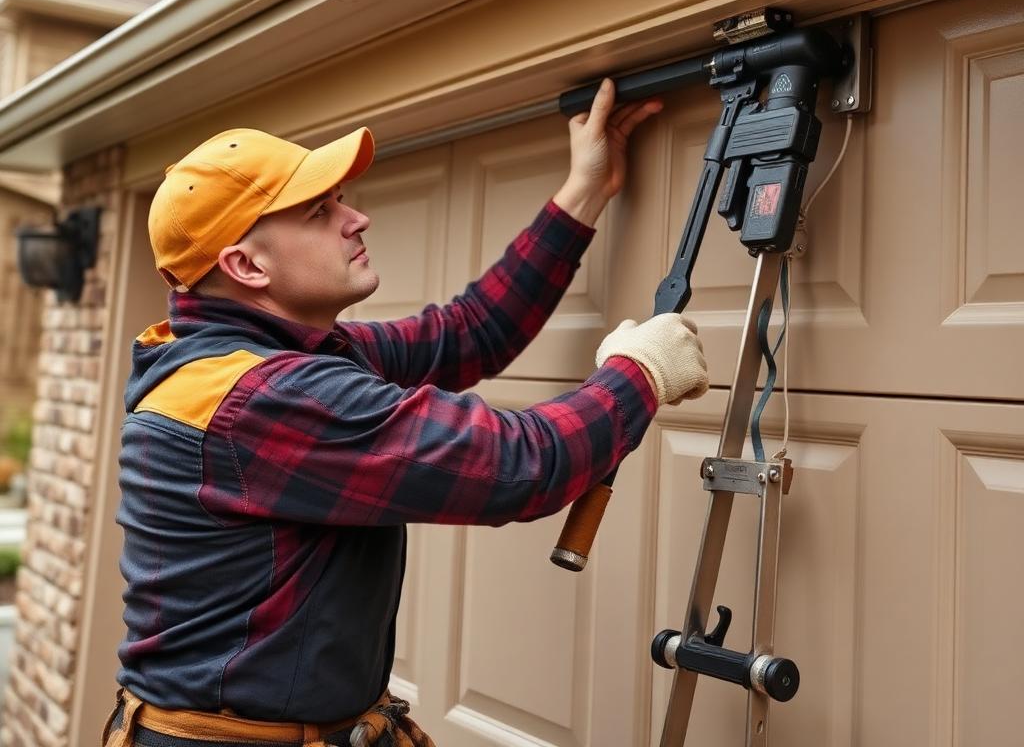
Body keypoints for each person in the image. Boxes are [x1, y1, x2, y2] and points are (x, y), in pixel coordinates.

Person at [104, 79, 709, 747]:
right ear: (246, 265)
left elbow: (467, 333)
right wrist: (641, 372)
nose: (355, 218)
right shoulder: (260, 399)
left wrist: (585, 189)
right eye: (318, 212)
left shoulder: (248, 364)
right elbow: (520, 465)